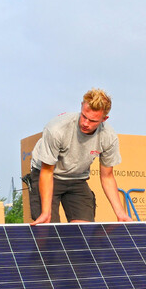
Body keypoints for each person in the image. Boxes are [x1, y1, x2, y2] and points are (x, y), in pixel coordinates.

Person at [27, 88, 132, 225]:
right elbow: (47, 172)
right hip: (48, 175)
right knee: (49, 232)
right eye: (84, 116)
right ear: (82, 106)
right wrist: (46, 213)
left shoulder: (108, 137)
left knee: (83, 231)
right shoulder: (57, 129)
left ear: (104, 119)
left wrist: (120, 213)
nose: (85, 123)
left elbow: (107, 176)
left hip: (77, 179)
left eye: (93, 121)